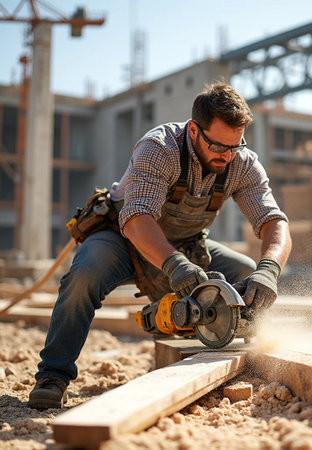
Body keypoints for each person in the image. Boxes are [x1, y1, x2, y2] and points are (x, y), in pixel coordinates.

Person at [28, 81, 292, 409]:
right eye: (218, 146)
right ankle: (53, 374)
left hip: (187, 244)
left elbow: (274, 221)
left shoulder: (241, 162)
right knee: (83, 276)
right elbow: (138, 218)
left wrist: (269, 269)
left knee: (246, 273)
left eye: (234, 146)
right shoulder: (159, 148)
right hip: (123, 239)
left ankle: (229, 345)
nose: (226, 155)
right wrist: (174, 263)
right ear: (194, 130)